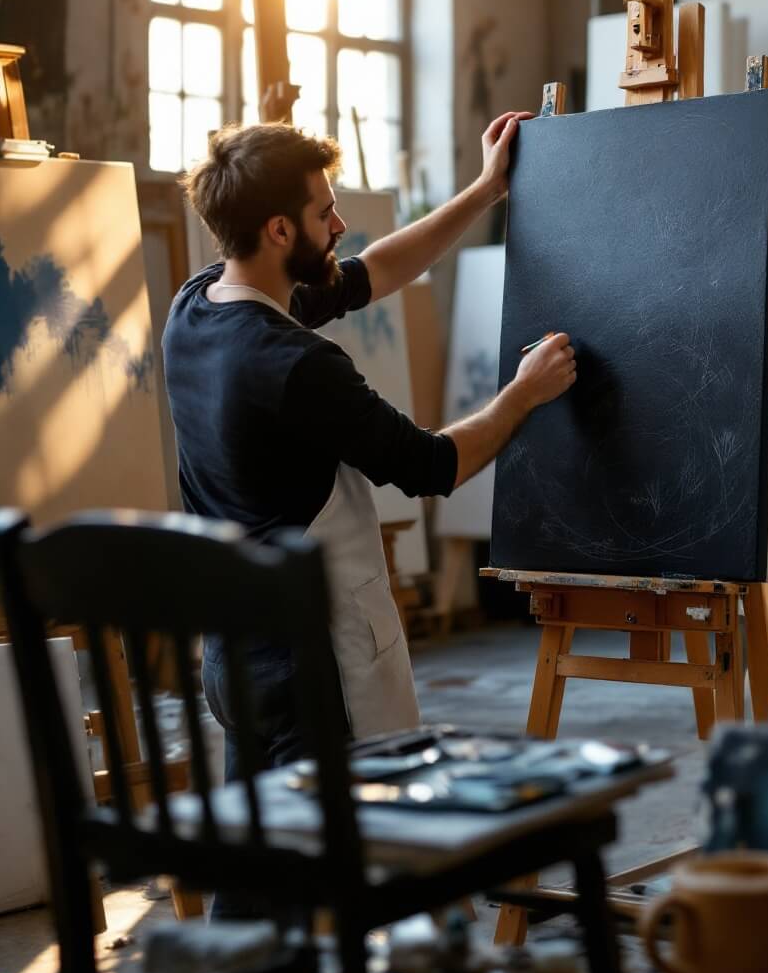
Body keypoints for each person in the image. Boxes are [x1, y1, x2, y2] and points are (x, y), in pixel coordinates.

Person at [163, 110, 575, 785]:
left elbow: (372, 272)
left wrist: (483, 191)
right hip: (311, 660)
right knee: (354, 864)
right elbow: (434, 465)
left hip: (234, 653)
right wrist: (523, 394)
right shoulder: (297, 365)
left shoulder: (198, 306)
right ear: (278, 231)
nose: (338, 227)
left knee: (260, 872)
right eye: (324, 212)